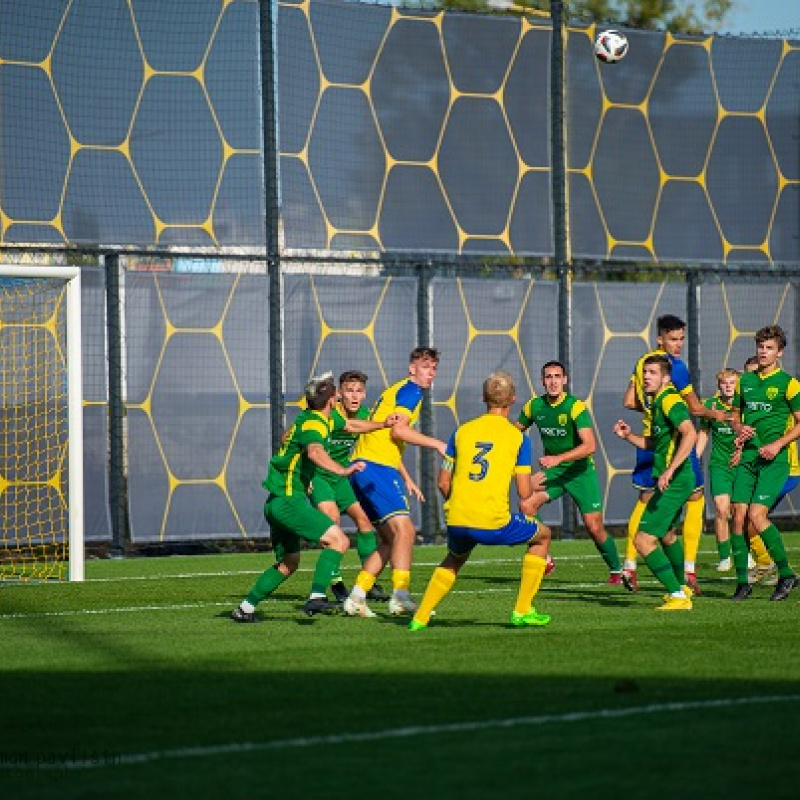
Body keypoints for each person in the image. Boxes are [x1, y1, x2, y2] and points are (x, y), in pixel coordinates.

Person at [230, 372, 394, 622]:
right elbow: (315, 451)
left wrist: (383, 423)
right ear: (331, 402)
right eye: (338, 394)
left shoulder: (313, 419)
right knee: (339, 540)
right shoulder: (315, 424)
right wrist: (342, 469)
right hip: (288, 501)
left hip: (275, 501)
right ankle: (317, 596)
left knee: (289, 563)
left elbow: (351, 426)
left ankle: (245, 609)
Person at [408, 371, 552, 630]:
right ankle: (522, 610)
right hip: (493, 523)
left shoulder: (461, 431)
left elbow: (442, 482)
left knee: (454, 558)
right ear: (513, 400)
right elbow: (523, 493)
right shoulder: (518, 438)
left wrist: (462, 501)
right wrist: (534, 484)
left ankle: (420, 617)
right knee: (543, 536)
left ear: (483, 398)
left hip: (457, 518)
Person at [621, 314, 725, 594]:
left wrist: (658, 417)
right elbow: (695, 411)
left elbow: (629, 401)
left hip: (668, 454)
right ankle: (685, 577)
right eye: (673, 339)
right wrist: (718, 414)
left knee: (650, 515)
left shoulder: (645, 366)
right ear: (660, 339)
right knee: (678, 516)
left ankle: (653, 576)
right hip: (664, 449)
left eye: (681, 339)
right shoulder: (674, 369)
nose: (679, 345)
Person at [342, 346, 447, 618]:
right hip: (376, 468)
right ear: (412, 368)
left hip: (365, 468)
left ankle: (356, 597)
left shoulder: (398, 390)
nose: (430, 373)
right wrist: (436, 443)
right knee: (407, 531)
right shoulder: (411, 391)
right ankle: (400, 596)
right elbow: (399, 430)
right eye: (425, 367)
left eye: (434, 368)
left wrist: (406, 477)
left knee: (389, 540)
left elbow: (389, 435)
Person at [515, 360, 623, 584]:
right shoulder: (534, 406)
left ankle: (616, 569)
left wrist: (558, 459)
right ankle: (545, 557)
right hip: (555, 474)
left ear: (565, 380)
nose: (553, 381)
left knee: (594, 527)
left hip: (580, 472)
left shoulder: (575, 407)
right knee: (526, 503)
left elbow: (589, 446)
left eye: (557, 376)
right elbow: (515, 431)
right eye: (548, 377)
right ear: (542, 381)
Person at [614, 355, 698, 610]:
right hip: (670, 479)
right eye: (644, 373)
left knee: (643, 540)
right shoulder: (657, 402)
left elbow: (691, 433)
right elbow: (655, 444)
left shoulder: (671, 400)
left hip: (677, 480)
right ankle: (682, 587)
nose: (646, 377)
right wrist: (629, 437)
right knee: (668, 535)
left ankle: (678, 595)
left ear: (666, 377)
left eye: (652, 372)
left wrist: (670, 470)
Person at [312, 370, 403, 604]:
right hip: (319, 477)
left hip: (342, 476)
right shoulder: (324, 414)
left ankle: (368, 579)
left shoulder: (365, 416)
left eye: (359, 391)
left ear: (364, 395)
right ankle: (336, 584)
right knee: (334, 528)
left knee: (364, 522)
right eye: (349, 391)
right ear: (339, 394)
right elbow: (290, 439)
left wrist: (406, 477)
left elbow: (382, 449)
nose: (354, 396)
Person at [729, 326, 800, 601]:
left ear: (779, 353)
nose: (763, 351)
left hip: (775, 460)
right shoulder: (744, 381)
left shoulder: (788, 383)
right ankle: (742, 583)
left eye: (769, 347)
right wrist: (739, 429)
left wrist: (778, 444)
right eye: (760, 346)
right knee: (737, 517)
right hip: (748, 458)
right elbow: (735, 415)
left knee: (757, 516)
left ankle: (786, 574)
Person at [695, 368, 740, 572]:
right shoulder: (710, 406)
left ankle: (744, 554)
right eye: (724, 383)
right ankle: (724, 556)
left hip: (743, 466)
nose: (728, 386)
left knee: (740, 513)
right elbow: (704, 432)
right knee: (722, 510)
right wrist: (695, 456)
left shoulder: (746, 405)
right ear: (719, 385)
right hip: (719, 465)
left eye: (732, 382)